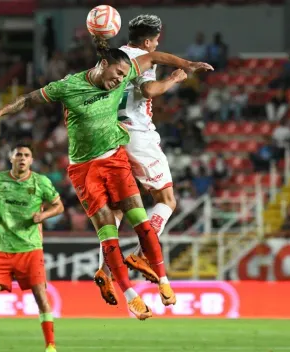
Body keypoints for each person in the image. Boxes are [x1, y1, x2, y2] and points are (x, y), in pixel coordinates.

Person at [0, 37, 212, 321]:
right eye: (115, 75)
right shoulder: (68, 86)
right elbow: (30, 99)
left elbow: (154, 59)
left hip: (115, 159)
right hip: (83, 169)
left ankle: (164, 282)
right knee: (108, 232)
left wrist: (186, 65)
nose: (118, 81)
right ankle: (131, 297)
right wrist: (1, 111)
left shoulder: (124, 69)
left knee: (141, 220)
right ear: (103, 65)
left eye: (122, 77)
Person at [93, 14, 187, 304]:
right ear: (148, 41)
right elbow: (148, 90)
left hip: (109, 135)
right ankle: (142, 254)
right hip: (137, 135)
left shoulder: (113, 58)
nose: (158, 43)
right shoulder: (145, 58)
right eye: (157, 39)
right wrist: (174, 78)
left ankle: (106, 270)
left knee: (118, 208)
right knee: (166, 198)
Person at [0, 144, 64, 352]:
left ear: (31, 160)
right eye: (18, 155)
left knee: (40, 295)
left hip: (31, 248)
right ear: (11, 159)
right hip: (3, 247)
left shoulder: (41, 182)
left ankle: (50, 346)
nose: (22, 158)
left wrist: (43, 216)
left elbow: (59, 206)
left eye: (26, 155)